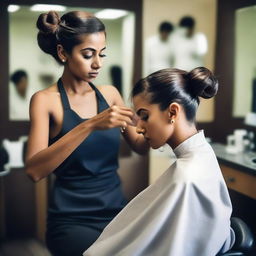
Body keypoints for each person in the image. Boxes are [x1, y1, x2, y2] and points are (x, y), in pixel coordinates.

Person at [25, 10, 149, 256]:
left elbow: (140, 146)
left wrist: (159, 120)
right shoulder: (45, 101)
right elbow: (34, 171)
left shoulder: (110, 94)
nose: (98, 64)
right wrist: (90, 124)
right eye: (88, 54)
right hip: (71, 221)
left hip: (116, 213)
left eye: (101, 54)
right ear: (63, 53)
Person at [84, 67, 235, 256]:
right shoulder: (202, 151)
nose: (138, 129)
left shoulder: (186, 178)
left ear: (172, 112)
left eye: (145, 116)